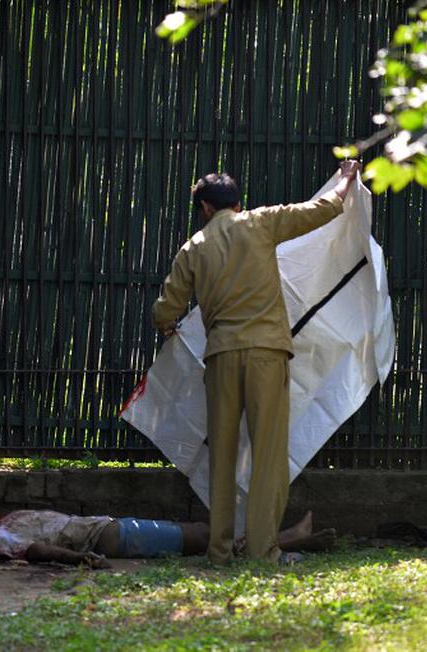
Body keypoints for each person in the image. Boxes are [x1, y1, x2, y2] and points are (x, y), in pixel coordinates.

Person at [151, 161, 361, 564]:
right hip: (267, 353)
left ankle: (220, 550)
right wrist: (346, 178)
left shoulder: (194, 247)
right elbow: (324, 208)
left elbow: (166, 310)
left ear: (206, 209)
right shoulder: (262, 223)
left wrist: (166, 328)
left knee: (223, 456)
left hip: (222, 357)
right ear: (237, 204)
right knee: (267, 454)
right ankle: (264, 550)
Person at [0, 509, 336, 568]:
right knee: (211, 536)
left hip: (109, 531)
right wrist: (77, 559)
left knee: (209, 536)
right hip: (110, 536)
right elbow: (37, 550)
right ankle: (290, 541)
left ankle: (290, 541)